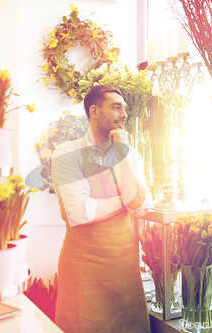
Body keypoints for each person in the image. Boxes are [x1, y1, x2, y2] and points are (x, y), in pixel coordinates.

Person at [52, 85, 153, 333]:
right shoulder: (67, 153)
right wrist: (124, 200)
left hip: (126, 273)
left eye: (125, 109)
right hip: (83, 275)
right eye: (116, 107)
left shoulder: (131, 157)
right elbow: (80, 211)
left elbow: (140, 205)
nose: (124, 114)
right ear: (94, 112)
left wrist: (122, 153)